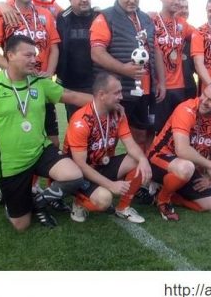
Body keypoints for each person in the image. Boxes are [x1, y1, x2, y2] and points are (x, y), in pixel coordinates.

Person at [0, 35, 91, 231]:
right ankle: (10, 196)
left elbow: (71, 96)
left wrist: (105, 101)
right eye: (28, 55)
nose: (34, 60)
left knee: (74, 175)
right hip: (11, 165)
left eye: (34, 55)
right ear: (10, 55)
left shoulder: (39, 82)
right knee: (21, 225)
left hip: (40, 151)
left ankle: (38, 201)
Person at [0, 0, 61, 148]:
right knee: (21, 139)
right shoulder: (1, 14)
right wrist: (16, 72)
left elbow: (54, 48)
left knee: (53, 140)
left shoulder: (45, 14)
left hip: (41, 84)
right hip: (16, 86)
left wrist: (49, 73)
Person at [64, 72, 152, 223]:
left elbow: (131, 145)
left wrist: (143, 159)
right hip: (79, 174)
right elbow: (80, 164)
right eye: (116, 93)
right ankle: (79, 201)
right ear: (101, 95)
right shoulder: (81, 120)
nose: (121, 97)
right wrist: (111, 185)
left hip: (102, 164)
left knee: (137, 160)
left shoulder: (117, 114)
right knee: (104, 199)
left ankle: (123, 208)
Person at [90, 0, 165, 151]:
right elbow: (96, 53)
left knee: (142, 133)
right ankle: (104, 166)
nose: (132, 0)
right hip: (119, 90)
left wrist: (161, 82)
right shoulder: (105, 17)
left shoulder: (146, 19)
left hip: (145, 90)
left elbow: (155, 51)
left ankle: (141, 168)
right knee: (109, 136)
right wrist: (123, 69)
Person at [148, 80, 211, 221]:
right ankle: (163, 200)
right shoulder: (186, 109)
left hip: (190, 167)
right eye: (204, 95)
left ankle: (170, 194)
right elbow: (182, 150)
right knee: (186, 167)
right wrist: (209, 164)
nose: (204, 101)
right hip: (160, 158)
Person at [150, 0, 194, 134]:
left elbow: (202, 35)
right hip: (157, 86)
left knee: (176, 130)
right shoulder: (151, 20)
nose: (176, 1)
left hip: (178, 87)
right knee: (155, 131)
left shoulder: (182, 24)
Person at [56, 0, 98, 120]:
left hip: (96, 83)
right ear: (70, 0)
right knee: (76, 123)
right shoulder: (62, 18)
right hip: (72, 85)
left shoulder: (99, 16)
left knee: (98, 123)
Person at [176, 0, 197, 100]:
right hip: (169, 88)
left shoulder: (194, 34)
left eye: (186, 7)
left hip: (189, 87)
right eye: (181, 7)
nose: (184, 11)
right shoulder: (163, 32)